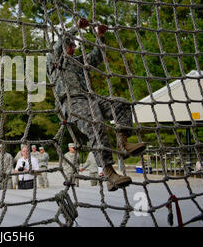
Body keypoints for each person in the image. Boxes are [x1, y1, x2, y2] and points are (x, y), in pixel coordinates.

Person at [46, 17, 146, 191]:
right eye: (70, 45)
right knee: (96, 125)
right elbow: (58, 46)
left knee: (121, 104)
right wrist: (75, 28)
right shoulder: (54, 63)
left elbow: (96, 57)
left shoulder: (77, 63)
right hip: (72, 102)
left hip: (91, 98)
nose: (73, 48)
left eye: (74, 46)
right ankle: (109, 173)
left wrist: (100, 37)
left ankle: (123, 142)